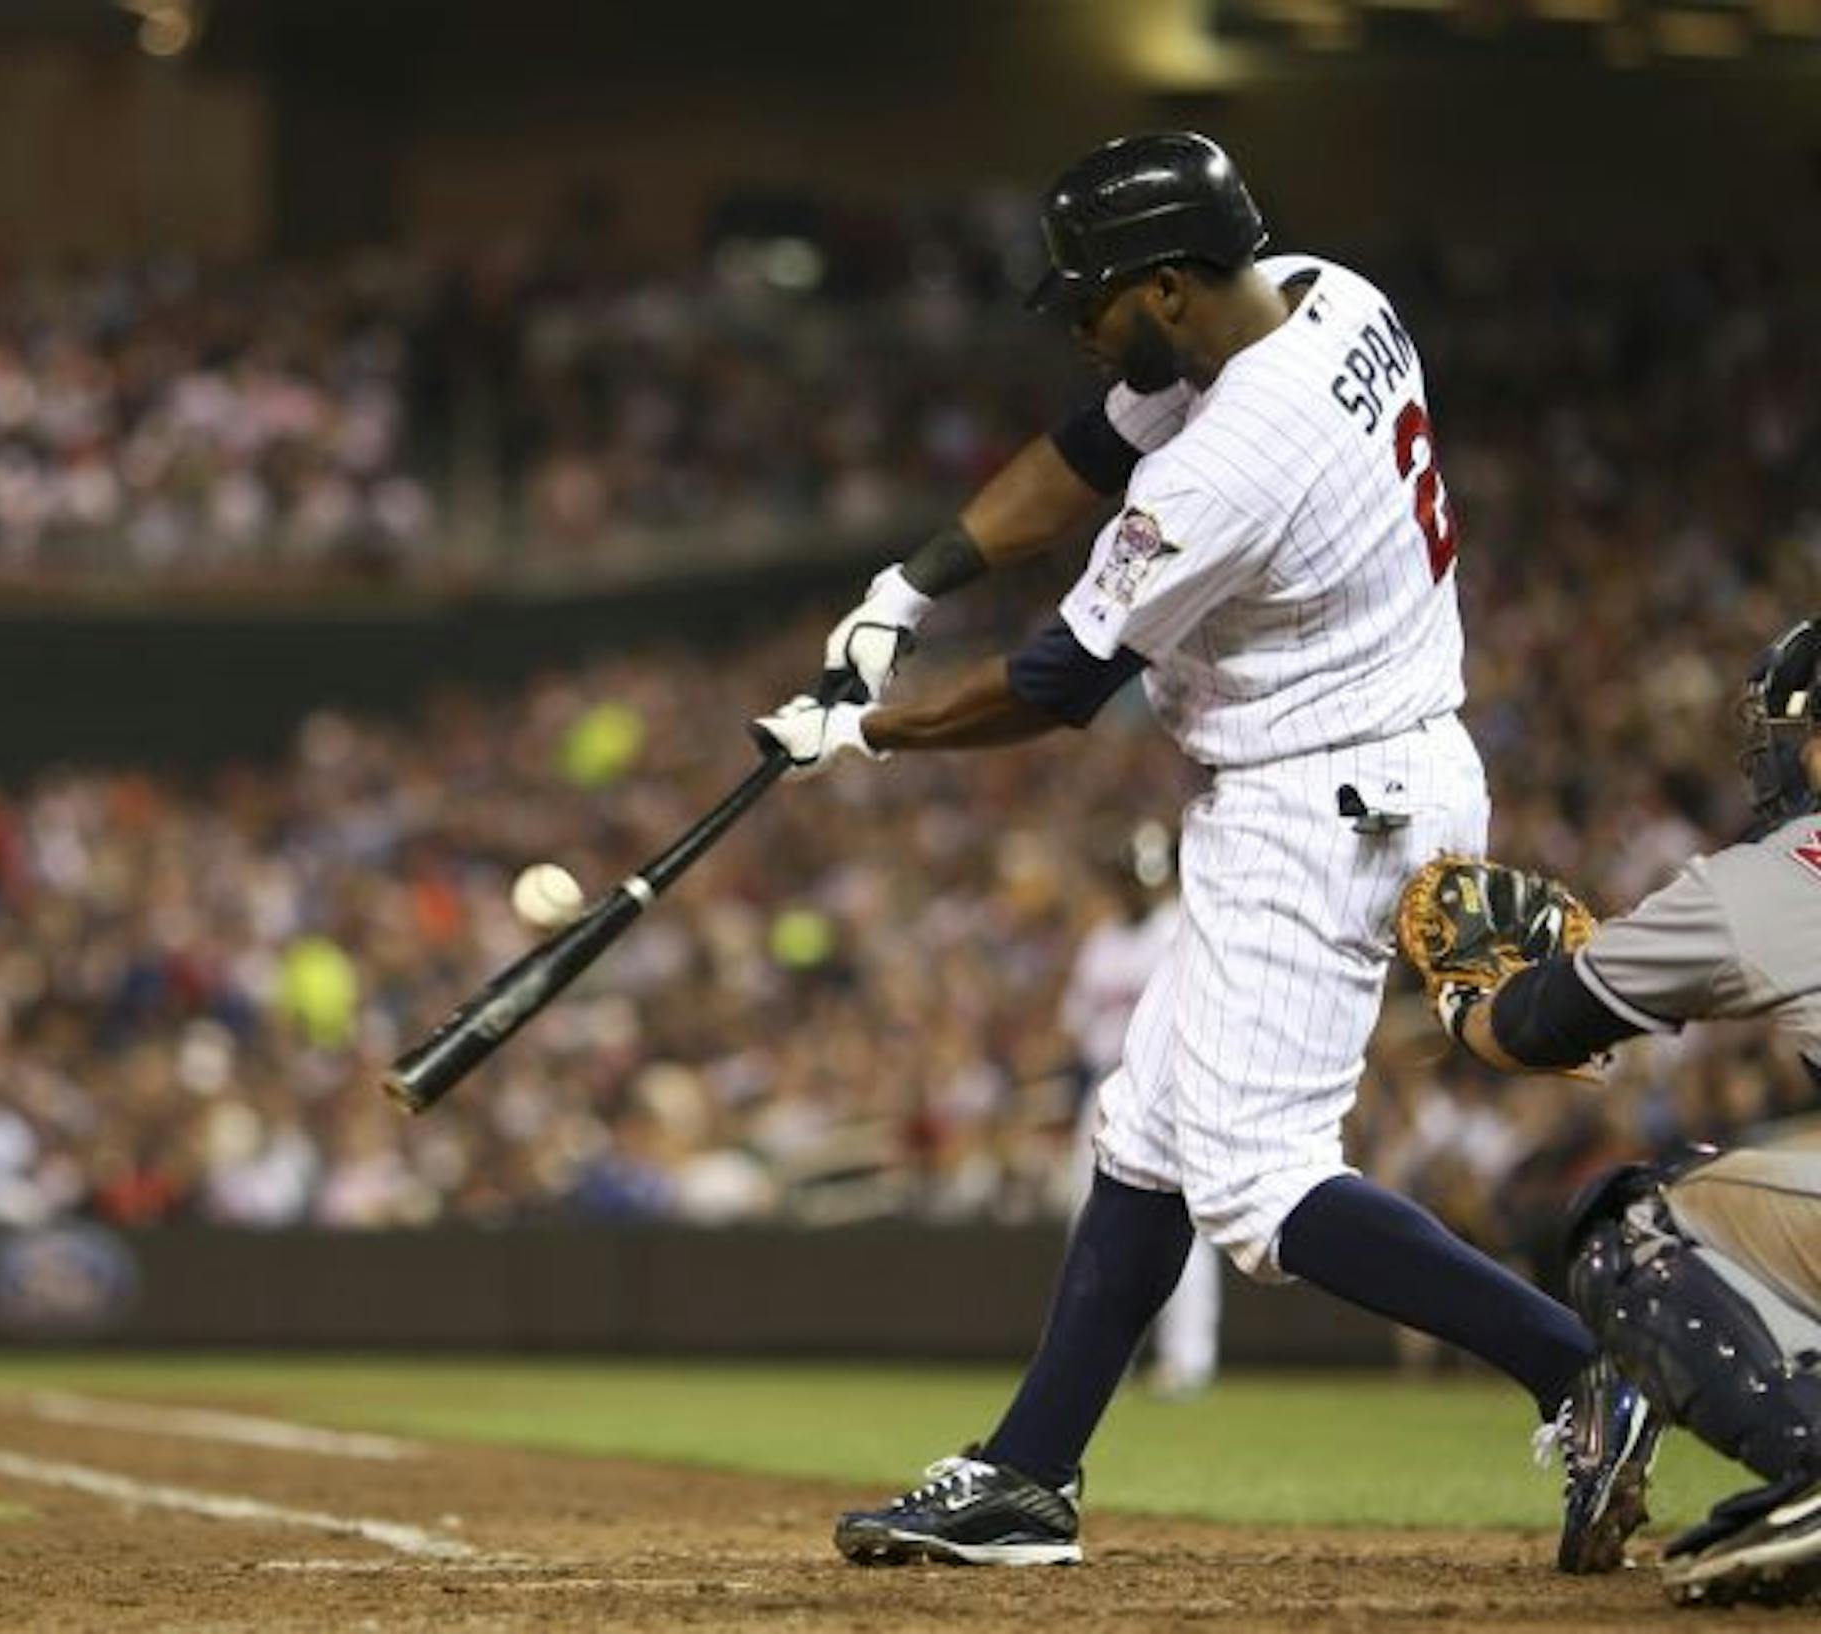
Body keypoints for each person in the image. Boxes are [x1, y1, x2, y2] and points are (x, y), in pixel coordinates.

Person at [751, 130, 1656, 1574]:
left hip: (1321, 800)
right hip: (1357, 765)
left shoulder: (1237, 460)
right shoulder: (1322, 290)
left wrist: (865, 732)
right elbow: (1088, 446)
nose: (1077, 320)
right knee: (1147, 1133)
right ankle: (1028, 1473)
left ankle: (1582, 1371)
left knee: (1256, 1182)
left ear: (1169, 286)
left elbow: (1057, 683)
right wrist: (906, 587)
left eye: (1093, 296)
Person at [1431, 616, 1821, 1605]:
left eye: (1784, 736)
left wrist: (1465, 1000)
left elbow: (1537, 1024)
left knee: (1638, 1220)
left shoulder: (1773, 877)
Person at [1059, 822, 1220, 1399]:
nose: (1135, 887)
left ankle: (1188, 1358)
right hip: (1105, 1086)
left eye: (1145, 877)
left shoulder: (1182, 928)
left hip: (1171, 1088)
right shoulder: (1101, 941)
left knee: (1179, 1223)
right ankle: (1098, 1359)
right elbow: (1075, 1024)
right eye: (1128, 877)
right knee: (1088, 1223)